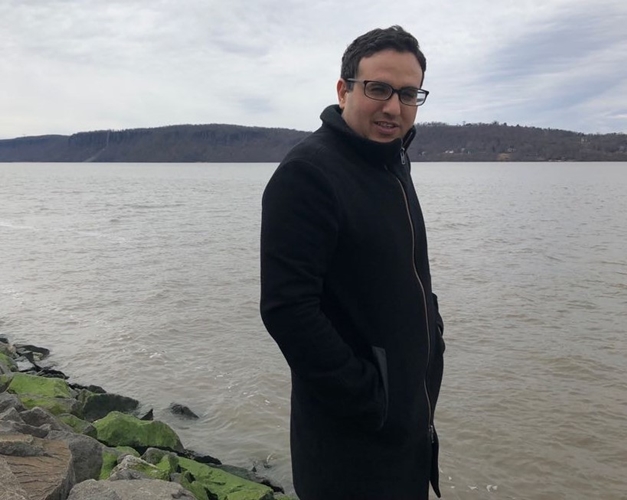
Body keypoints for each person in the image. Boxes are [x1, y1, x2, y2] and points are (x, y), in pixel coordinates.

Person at [260, 25, 445, 500]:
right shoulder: (308, 173)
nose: (394, 107)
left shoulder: (392, 163)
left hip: (407, 426)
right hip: (350, 446)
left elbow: (409, 277)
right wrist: (371, 399)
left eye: (408, 94)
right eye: (378, 89)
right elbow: (287, 309)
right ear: (344, 90)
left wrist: (433, 339)